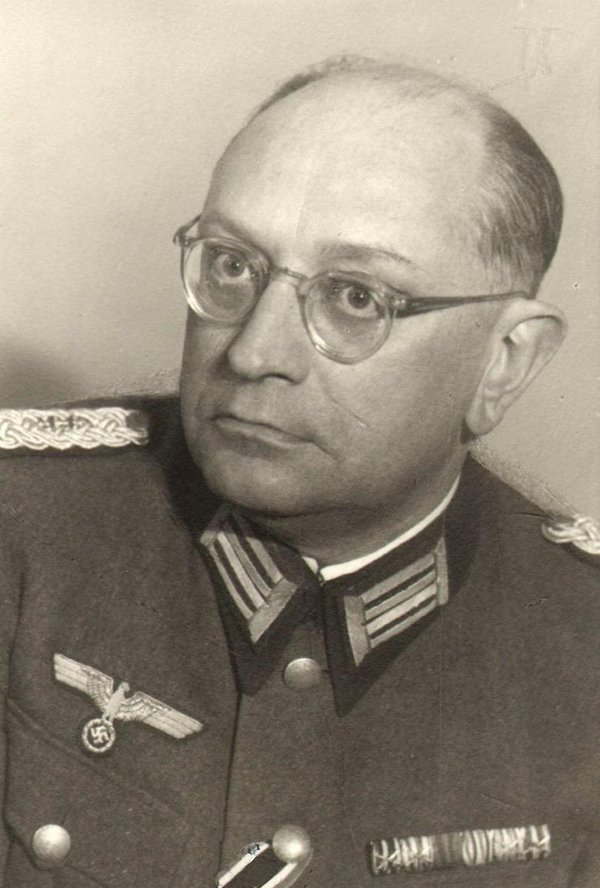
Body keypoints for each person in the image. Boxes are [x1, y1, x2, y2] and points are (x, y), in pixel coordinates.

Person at [0, 56, 599, 888]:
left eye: (356, 297)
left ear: (504, 362)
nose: (253, 352)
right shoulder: (21, 526)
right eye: (232, 265)